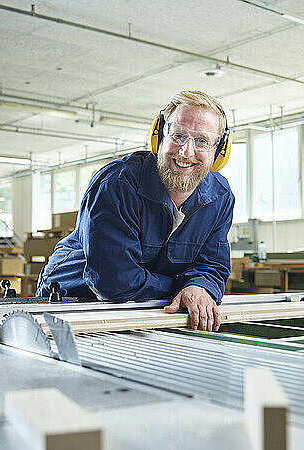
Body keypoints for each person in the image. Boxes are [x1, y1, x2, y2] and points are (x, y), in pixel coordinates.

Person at [37, 90, 234, 332]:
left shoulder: (220, 197)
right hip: (72, 301)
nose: (186, 152)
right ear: (159, 136)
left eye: (202, 141)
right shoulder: (117, 185)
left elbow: (212, 265)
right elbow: (114, 283)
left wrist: (199, 287)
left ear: (220, 151)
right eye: (179, 135)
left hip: (148, 307)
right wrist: (181, 288)